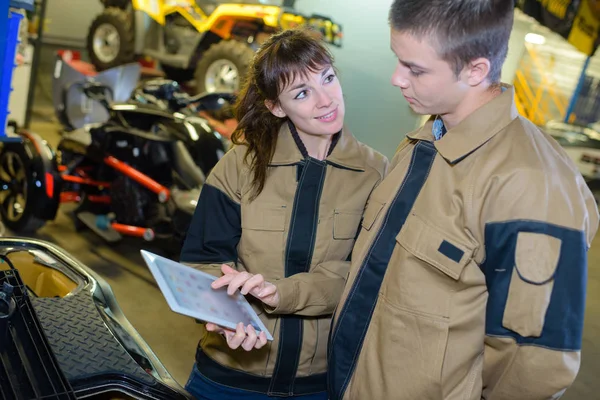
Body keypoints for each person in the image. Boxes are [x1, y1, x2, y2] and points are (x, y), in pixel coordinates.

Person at [326, 1, 600, 400]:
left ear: (475, 69)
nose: (396, 79)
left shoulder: (532, 184)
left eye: (415, 69)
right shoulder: (424, 142)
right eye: (398, 61)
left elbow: (534, 366)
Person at [179, 28, 388, 400]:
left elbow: (361, 277)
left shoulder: (376, 174)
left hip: (319, 385)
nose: (326, 101)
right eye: (302, 93)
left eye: (328, 79)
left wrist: (280, 293)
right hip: (227, 381)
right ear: (276, 106)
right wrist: (228, 315)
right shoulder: (240, 165)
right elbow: (203, 260)